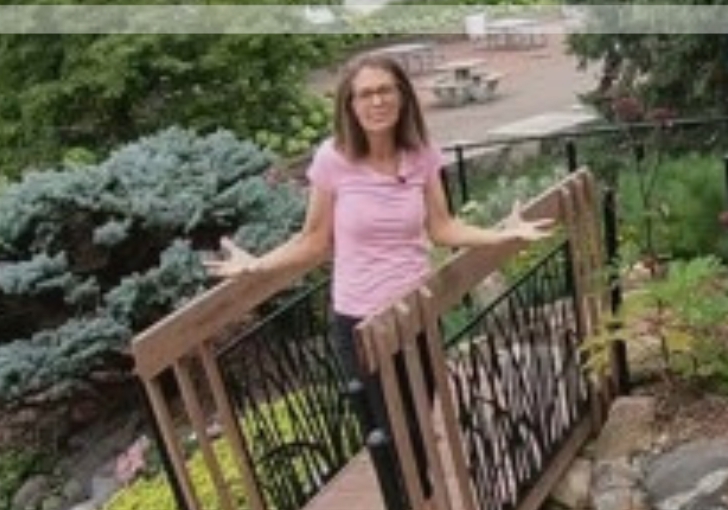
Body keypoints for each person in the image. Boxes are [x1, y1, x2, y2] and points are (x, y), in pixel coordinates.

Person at [205, 52, 554, 381]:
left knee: (419, 421)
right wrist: (257, 266)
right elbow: (313, 241)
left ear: (402, 96)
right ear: (350, 105)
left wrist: (502, 235)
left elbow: (442, 227)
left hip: (415, 311)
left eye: (385, 90)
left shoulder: (421, 154)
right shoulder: (333, 158)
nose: (377, 101)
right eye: (366, 94)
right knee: (385, 434)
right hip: (361, 321)